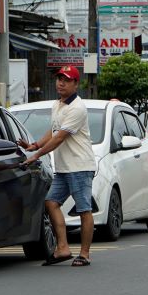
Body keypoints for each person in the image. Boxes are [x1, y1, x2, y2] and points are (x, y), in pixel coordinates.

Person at [19, 65, 96, 267]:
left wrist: (36, 155)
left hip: (80, 166)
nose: (60, 82)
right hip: (63, 167)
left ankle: (85, 254)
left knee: (83, 210)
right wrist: (34, 144)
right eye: (59, 78)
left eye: (66, 79)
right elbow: (53, 131)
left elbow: (60, 138)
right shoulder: (58, 104)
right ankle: (63, 248)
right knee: (51, 203)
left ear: (75, 84)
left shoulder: (77, 108)